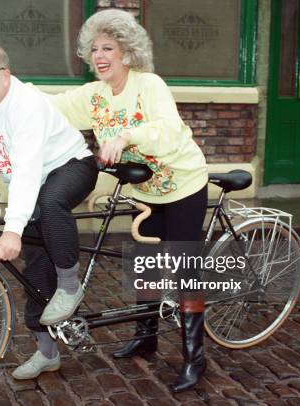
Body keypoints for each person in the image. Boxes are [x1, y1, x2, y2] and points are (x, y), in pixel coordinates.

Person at [49, 9, 209, 392]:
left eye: (109, 47)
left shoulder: (148, 85)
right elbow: (50, 105)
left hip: (183, 184)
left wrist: (126, 137)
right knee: (147, 265)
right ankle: (147, 335)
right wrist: (7, 93)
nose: (100, 55)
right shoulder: (94, 95)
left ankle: (195, 358)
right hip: (147, 191)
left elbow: (168, 129)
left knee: (185, 267)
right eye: (94, 48)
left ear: (127, 52)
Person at [0, 43, 98, 380]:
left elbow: (26, 168)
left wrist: (13, 228)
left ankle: (69, 286)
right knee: (36, 264)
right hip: (33, 180)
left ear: (5, 76)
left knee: (49, 204)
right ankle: (47, 353)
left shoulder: (26, 104)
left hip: (70, 165)